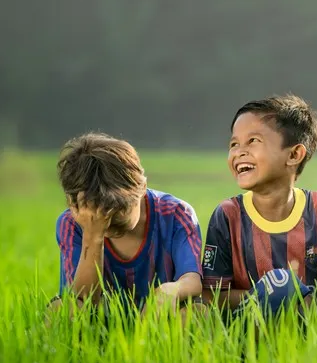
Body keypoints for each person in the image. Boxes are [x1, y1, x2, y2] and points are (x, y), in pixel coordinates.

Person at [201, 94, 317, 328]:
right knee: (282, 283)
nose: (240, 151)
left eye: (253, 141)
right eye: (234, 144)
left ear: (294, 155)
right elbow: (212, 295)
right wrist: (282, 294)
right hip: (253, 329)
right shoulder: (228, 215)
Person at [50, 133, 203, 323]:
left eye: (116, 210)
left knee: (195, 313)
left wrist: (168, 291)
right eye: (95, 212)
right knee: (62, 312)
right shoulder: (72, 223)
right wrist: (93, 235)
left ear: (142, 187)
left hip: (162, 320)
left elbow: (192, 279)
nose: (105, 220)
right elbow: (82, 301)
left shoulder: (176, 214)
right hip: (101, 323)